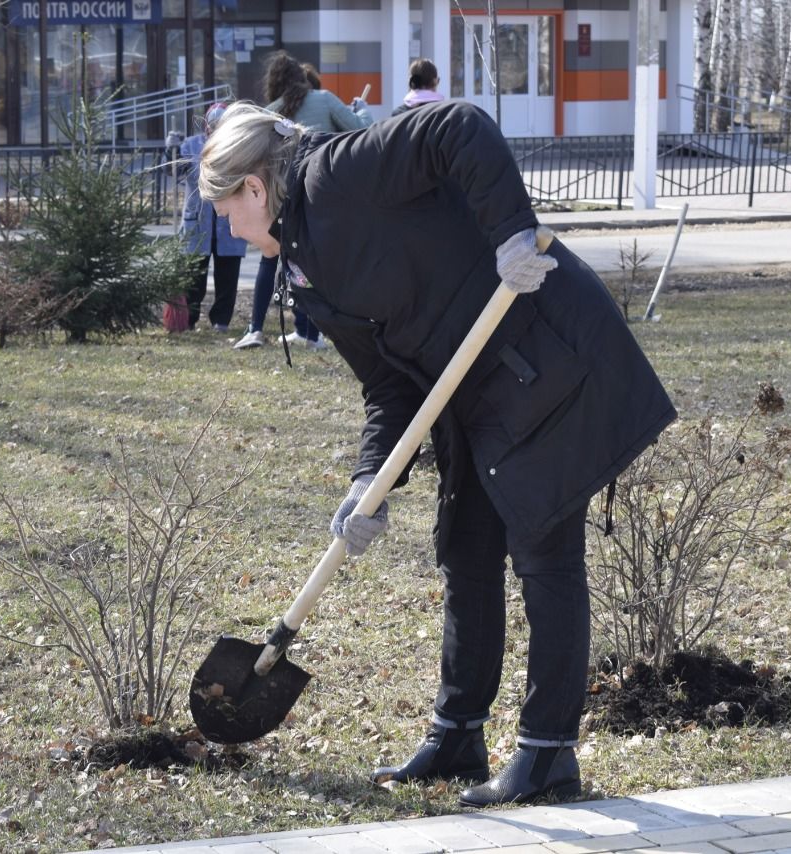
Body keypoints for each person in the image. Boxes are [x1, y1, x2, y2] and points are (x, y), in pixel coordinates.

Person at [199, 102, 676, 806]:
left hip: (543, 349)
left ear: (255, 190)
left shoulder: (341, 174)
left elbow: (458, 128)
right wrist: (369, 483)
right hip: (472, 394)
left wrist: (511, 233)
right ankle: (458, 735)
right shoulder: (306, 266)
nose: (226, 227)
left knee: (545, 552)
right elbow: (388, 387)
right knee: (467, 551)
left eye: (224, 208)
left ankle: (548, 758)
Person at [232, 52, 372, 352]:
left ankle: (256, 328)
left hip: (281, 197)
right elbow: (359, 130)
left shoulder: (271, 112)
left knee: (272, 261)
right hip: (322, 192)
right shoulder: (324, 99)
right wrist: (363, 110)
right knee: (316, 264)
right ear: (301, 77)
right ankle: (315, 332)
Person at [178, 102, 246, 331]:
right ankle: (189, 319)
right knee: (195, 275)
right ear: (206, 125)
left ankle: (221, 320)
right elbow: (173, 171)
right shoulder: (190, 145)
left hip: (229, 221)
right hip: (198, 221)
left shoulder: (239, 147)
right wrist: (171, 150)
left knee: (227, 274)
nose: (215, 129)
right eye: (212, 125)